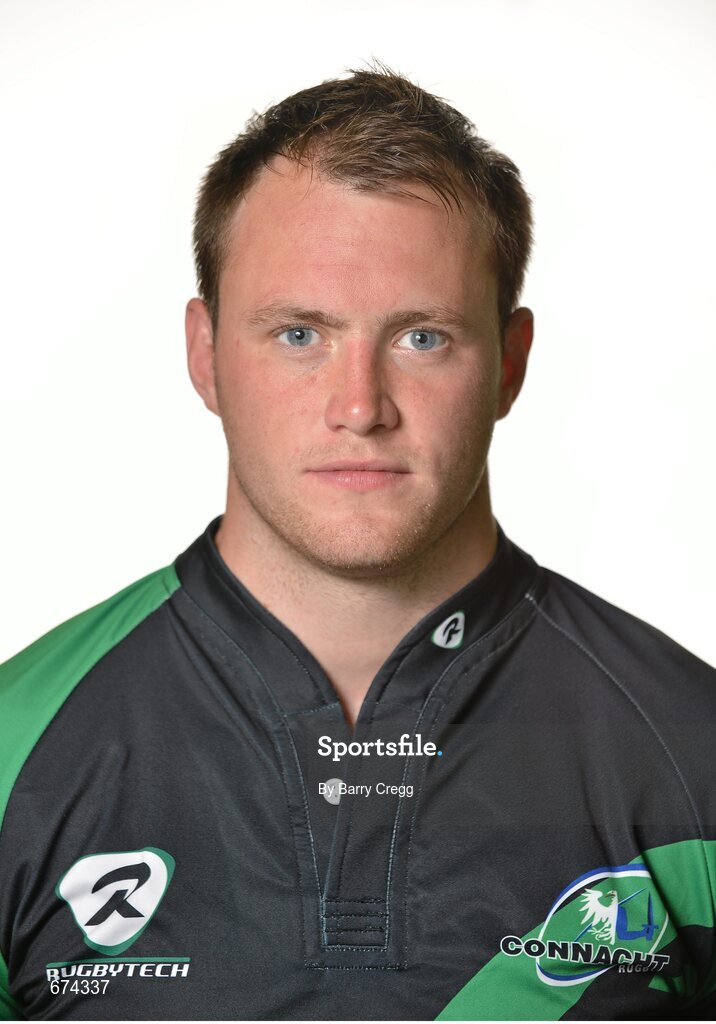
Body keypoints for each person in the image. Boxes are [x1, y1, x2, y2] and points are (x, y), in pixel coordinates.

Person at [0, 66, 714, 1022]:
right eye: (300, 334)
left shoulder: (691, 752)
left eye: (423, 338)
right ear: (205, 355)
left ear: (510, 364)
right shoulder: (17, 751)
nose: (360, 407)